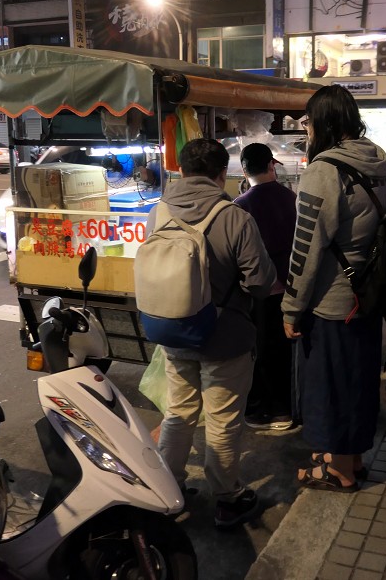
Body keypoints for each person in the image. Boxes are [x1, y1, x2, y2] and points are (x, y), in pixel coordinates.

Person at [152, 138, 276, 529]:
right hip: (224, 337)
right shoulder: (235, 216)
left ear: (183, 170)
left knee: (178, 413)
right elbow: (259, 283)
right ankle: (227, 498)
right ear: (223, 174)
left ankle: (166, 487)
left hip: (172, 331)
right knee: (222, 421)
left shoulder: (159, 211)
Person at [282, 84, 386, 492]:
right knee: (359, 380)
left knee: (333, 387)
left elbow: (306, 247)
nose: (306, 129)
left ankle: (339, 473)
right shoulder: (379, 161)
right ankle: (354, 460)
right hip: (370, 293)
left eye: (309, 121)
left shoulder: (324, 170)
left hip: (334, 302)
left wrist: (291, 308)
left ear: (323, 122)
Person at [234, 143, 298, 431]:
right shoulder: (292, 199)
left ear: (244, 169)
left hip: (257, 291)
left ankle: (260, 412)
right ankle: (286, 409)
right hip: (290, 290)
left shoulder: (241, 206)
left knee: (258, 351)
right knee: (285, 351)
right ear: (272, 165)